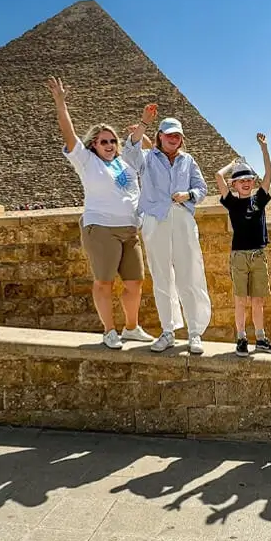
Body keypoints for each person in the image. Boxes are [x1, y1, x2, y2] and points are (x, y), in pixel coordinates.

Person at [47, 77, 153, 349]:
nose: (109, 145)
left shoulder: (126, 162)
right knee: (104, 282)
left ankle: (131, 328)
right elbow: (68, 134)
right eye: (103, 141)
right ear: (93, 144)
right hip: (102, 229)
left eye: (113, 141)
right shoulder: (86, 161)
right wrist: (60, 103)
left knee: (135, 282)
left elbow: (147, 149)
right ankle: (109, 330)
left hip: (130, 230)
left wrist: (143, 124)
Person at [122, 103, 211, 355]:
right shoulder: (147, 158)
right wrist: (144, 123)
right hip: (155, 219)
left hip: (182, 218)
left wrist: (189, 194)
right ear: (160, 136)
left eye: (178, 135)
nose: (174, 138)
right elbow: (129, 153)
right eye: (169, 134)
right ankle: (168, 331)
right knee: (161, 277)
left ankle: (194, 332)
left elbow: (202, 188)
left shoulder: (188, 160)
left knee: (190, 274)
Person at [215, 135, 271, 357]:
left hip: (258, 255)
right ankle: (241, 338)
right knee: (240, 300)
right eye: (240, 180)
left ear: (253, 181)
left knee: (258, 300)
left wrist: (264, 148)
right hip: (239, 257)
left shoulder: (258, 200)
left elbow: (269, 174)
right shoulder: (232, 203)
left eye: (248, 179)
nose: (245, 182)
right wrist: (233, 165)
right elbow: (217, 176)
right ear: (234, 184)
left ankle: (261, 338)